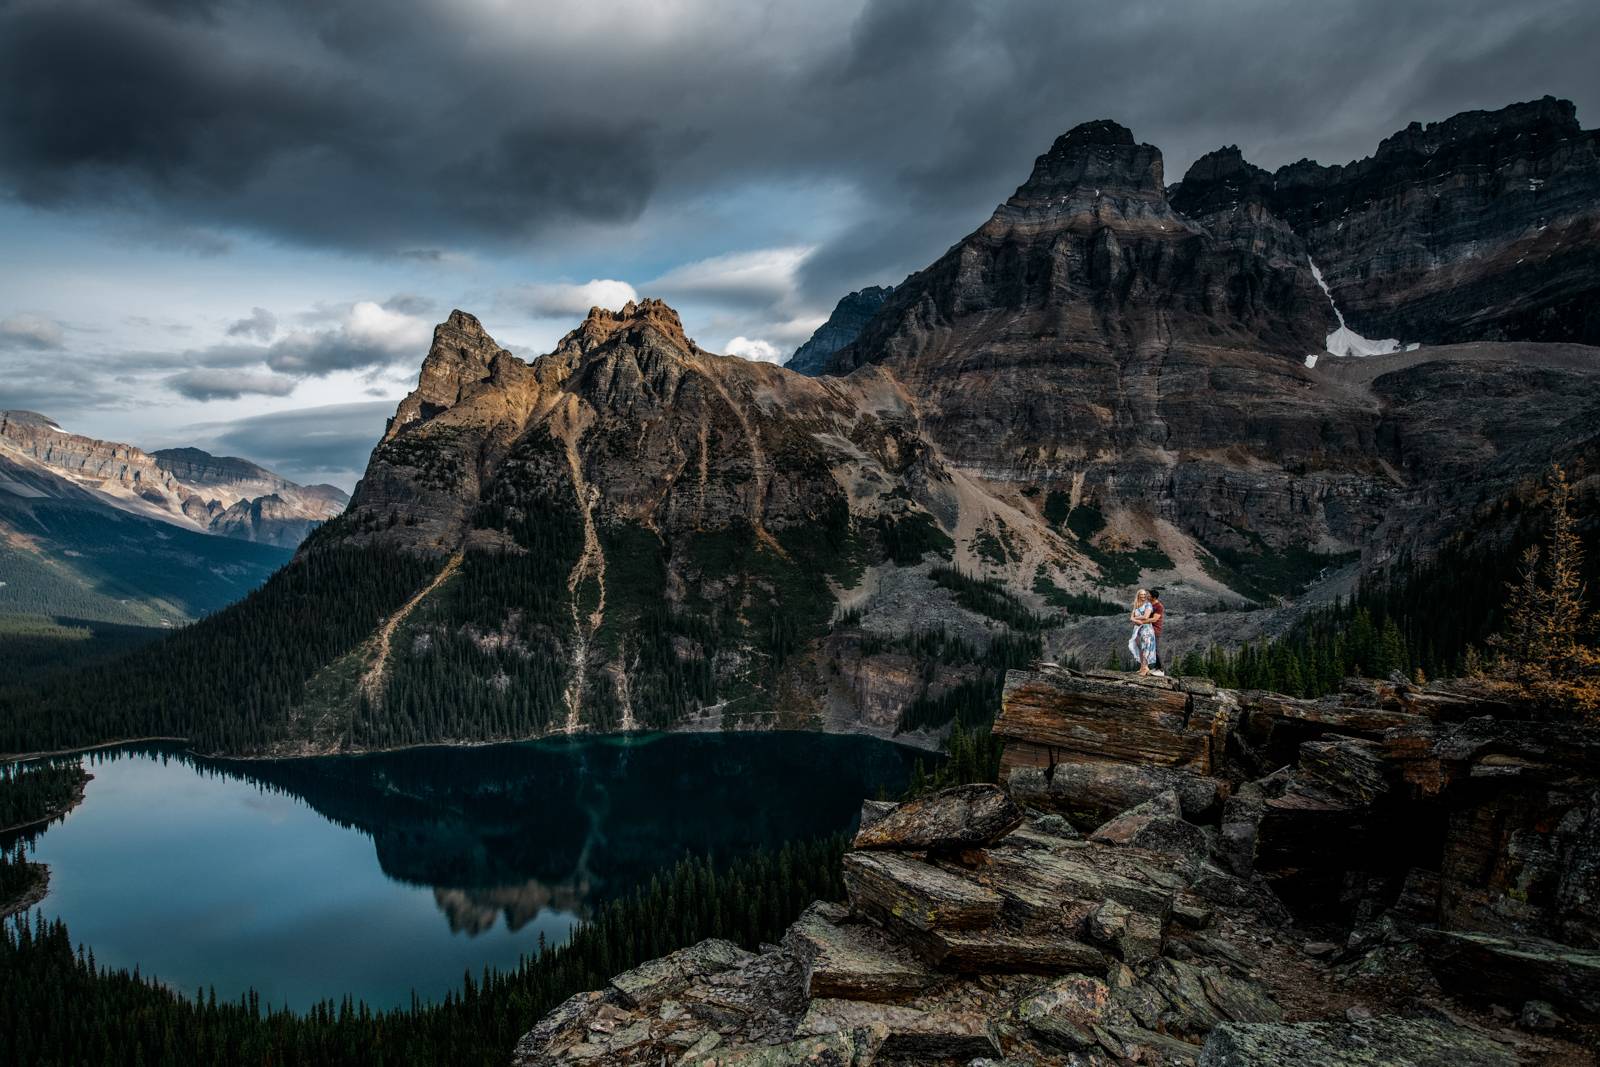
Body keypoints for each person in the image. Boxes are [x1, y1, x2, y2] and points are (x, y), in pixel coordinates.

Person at [1128, 589, 1156, 676]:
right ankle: (1142, 667)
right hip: (1137, 629)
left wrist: (1135, 619)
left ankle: (1146, 668)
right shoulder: (1136, 605)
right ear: (1138, 595)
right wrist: (1133, 619)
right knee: (1140, 647)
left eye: (1144, 594)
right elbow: (1131, 618)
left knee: (1146, 647)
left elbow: (1146, 616)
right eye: (1141, 594)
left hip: (1146, 629)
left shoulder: (1148, 605)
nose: (1143, 596)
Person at [1147, 588, 1166, 677]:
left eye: (1149, 595)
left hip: (1155, 630)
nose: (1147, 596)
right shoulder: (1150, 604)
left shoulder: (1159, 606)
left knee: (1156, 649)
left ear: (1154, 597)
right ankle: (1156, 667)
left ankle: (1161, 670)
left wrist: (1142, 620)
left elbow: (1155, 619)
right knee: (1152, 649)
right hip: (1149, 629)